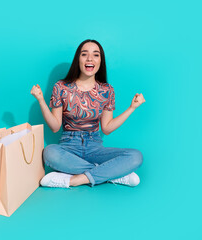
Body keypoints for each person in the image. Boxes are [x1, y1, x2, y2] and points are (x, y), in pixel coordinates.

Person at [30, 39, 146, 188]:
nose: (90, 58)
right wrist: (40, 100)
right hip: (68, 146)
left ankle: (73, 180)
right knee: (49, 152)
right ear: (78, 59)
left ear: (100, 61)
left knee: (136, 156)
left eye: (95, 55)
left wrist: (132, 108)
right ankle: (112, 175)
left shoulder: (107, 90)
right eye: (84, 54)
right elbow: (55, 127)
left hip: (95, 147)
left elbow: (107, 128)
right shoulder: (61, 86)